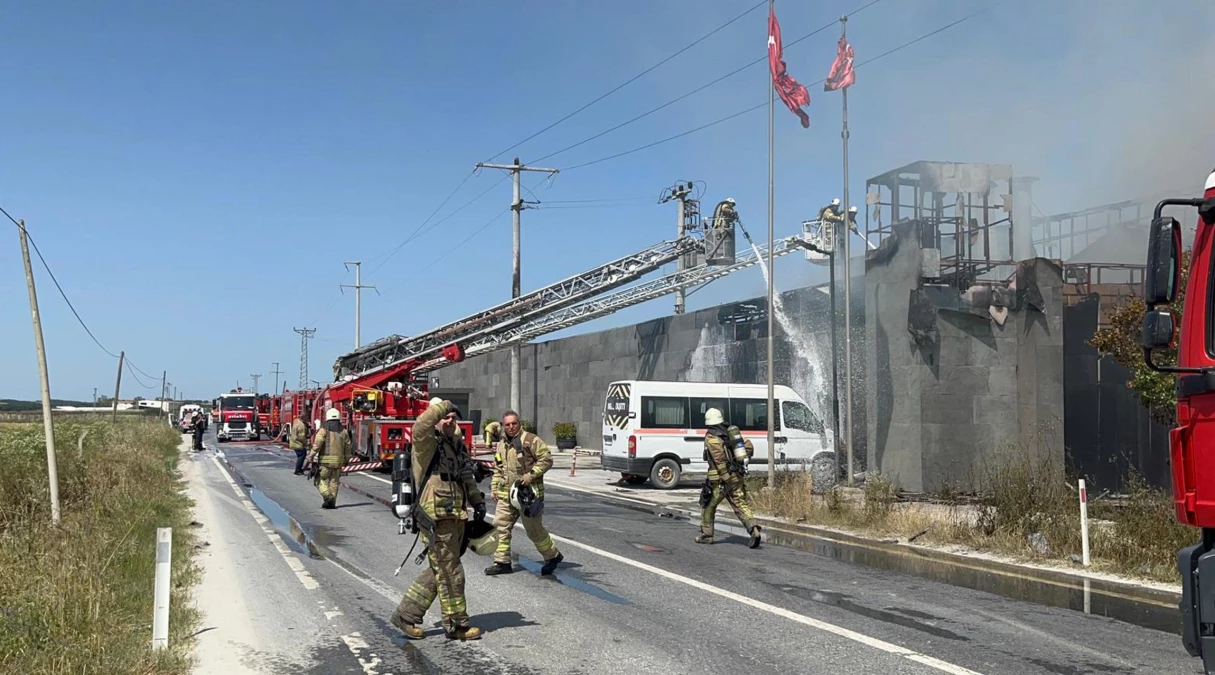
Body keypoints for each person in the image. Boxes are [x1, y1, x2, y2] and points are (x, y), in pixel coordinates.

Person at [391, 399, 487, 641]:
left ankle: (406, 614)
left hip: (455, 517)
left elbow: (465, 476)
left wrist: (477, 502)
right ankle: (457, 625)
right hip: (436, 519)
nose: (450, 421)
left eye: (454, 418)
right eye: (446, 417)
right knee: (451, 572)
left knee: (439, 571)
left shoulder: (454, 445)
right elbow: (420, 426)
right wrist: (443, 406)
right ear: (436, 418)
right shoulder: (426, 444)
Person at [485, 410, 564, 576]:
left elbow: (547, 459)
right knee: (500, 527)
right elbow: (499, 469)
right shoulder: (501, 444)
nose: (511, 427)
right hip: (507, 495)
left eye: (514, 423)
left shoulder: (531, 440)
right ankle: (502, 562)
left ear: (519, 423)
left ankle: (552, 556)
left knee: (534, 531)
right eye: (507, 424)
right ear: (503, 426)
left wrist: (531, 475)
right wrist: (494, 487)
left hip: (528, 496)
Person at [695, 407, 762, 548]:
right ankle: (754, 529)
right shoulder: (730, 433)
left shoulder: (711, 437)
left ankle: (707, 535)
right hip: (737, 476)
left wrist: (725, 477)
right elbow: (747, 448)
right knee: (740, 504)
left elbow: (718, 460)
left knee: (708, 505)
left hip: (721, 481)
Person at [305, 408, 350, 509]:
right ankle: (332, 503)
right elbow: (347, 446)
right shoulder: (344, 431)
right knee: (334, 482)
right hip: (338, 462)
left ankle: (327, 496)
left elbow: (317, 445)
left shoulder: (323, 430)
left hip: (325, 462)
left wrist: (311, 455)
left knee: (318, 479)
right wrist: (347, 460)